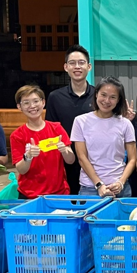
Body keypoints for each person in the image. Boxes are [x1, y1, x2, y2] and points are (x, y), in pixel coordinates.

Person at [70, 77, 136, 198]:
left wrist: (121, 182)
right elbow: (82, 157)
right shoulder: (80, 121)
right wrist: (99, 184)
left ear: (118, 100)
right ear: (96, 95)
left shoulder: (125, 123)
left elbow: (132, 159)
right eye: (103, 95)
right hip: (89, 188)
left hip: (119, 189)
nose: (107, 100)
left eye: (112, 97)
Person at [45, 45, 95, 195]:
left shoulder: (99, 96)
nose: (77, 67)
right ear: (66, 67)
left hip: (94, 160)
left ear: (89, 66)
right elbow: (51, 130)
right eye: (72, 63)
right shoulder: (55, 97)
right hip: (65, 161)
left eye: (81, 62)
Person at [10, 85, 75, 198]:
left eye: (36, 101)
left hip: (59, 194)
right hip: (29, 195)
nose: (32, 106)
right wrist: (28, 157)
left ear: (43, 102)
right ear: (19, 107)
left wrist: (64, 150)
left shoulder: (57, 128)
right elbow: (21, 170)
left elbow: (71, 160)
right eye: (26, 103)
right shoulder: (17, 135)